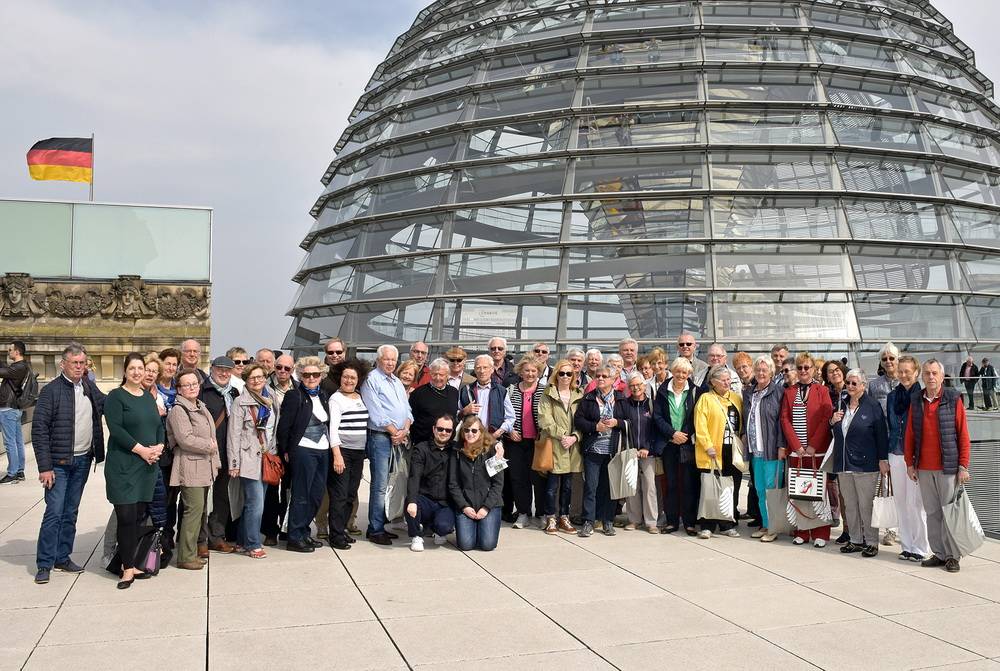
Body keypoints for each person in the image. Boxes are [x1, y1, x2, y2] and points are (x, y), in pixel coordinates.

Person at [31, 343, 105, 585]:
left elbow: (108, 404)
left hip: (83, 460)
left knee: (71, 512)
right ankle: (44, 563)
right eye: (75, 363)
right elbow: (39, 430)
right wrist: (45, 467)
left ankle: (62, 557)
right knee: (54, 512)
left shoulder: (89, 387)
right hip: (58, 464)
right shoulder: (51, 391)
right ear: (63, 364)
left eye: (83, 363)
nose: (79, 367)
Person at [105, 352, 165, 588]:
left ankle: (129, 562)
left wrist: (159, 446)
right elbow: (116, 429)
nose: (138, 372)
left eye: (141, 368)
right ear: (125, 371)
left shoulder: (148, 398)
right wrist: (141, 450)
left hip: (147, 467)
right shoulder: (116, 397)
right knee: (126, 517)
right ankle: (127, 568)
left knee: (139, 517)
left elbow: (158, 425)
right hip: (124, 465)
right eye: (133, 368)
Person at [905, 359, 971, 573]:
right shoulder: (916, 400)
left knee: (949, 513)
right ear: (922, 376)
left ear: (942, 377)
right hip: (924, 468)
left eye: (934, 373)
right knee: (932, 513)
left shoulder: (953, 398)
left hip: (948, 468)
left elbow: (963, 434)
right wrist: (909, 464)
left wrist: (963, 466)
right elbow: (910, 435)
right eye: (927, 373)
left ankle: (953, 556)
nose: (931, 377)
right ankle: (940, 554)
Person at [830, 370, 889, 557]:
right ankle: (855, 539)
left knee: (866, 505)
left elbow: (881, 434)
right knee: (850, 504)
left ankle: (871, 541)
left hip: (866, 465)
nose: (850, 386)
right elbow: (834, 430)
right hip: (844, 463)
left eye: (854, 383)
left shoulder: (872, 406)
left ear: (863, 385)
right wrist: (832, 421)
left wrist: (883, 459)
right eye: (848, 383)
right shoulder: (842, 404)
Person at [166, 369, 221, 570]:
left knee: (200, 511)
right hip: (190, 467)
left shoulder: (200, 406)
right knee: (193, 512)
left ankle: (191, 552)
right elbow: (185, 439)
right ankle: (185, 557)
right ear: (178, 389)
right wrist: (209, 445)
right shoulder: (179, 410)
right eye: (186, 385)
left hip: (204, 467)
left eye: (194, 384)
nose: (192, 387)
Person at [277, 356, 331, 552]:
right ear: (300, 375)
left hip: (322, 450)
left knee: (316, 495)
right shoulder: (295, 396)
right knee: (301, 494)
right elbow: (284, 428)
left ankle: (304, 532)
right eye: (306, 375)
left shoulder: (323, 395)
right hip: (303, 450)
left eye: (315, 374)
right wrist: (286, 451)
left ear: (321, 376)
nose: (311, 378)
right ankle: (294, 536)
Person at [780, 352, 834, 546]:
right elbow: (785, 419)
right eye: (800, 367)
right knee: (799, 490)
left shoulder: (822, 391)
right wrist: (797, 445)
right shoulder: (789, 391)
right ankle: (802, 531)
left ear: (813, 369)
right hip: (797, 452)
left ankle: (821, 532)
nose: (803, 371)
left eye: (807, 367)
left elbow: (826, 418)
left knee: (818, 491)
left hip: (816, 451)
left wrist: (813, 445)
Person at [360, 345, 413, 545]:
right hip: (381, 438)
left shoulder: (397, 381)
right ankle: (375, 529)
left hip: (398, 438)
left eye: (393, 360)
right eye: (387, 359)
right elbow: (376, 412)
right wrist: (394, 432)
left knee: (393, 483)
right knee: (380, 485)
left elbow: (407, 410)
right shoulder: (371, 380)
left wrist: (405, 430)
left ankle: (379, 523)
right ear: (379, 359)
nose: (390, 363)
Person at [227, 364, 275, 559]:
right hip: (247, 458)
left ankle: (241, 541)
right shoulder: (240, 402)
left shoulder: (270, 399)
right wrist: (234, 463)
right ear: (246, 381)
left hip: (265, 456)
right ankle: (253, 544)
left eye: (260, 377)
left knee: (254, 503)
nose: (256, 381)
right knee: (256, 504)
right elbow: (234, 435)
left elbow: (274, 429)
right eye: (252, 378)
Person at [886, 355, 931, 561]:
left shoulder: (921, 396)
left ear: (916, 373)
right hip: (895, 453)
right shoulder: (892, 396)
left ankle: (921, 547)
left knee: (916, 504)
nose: (903, 375)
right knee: (901, 502)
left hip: (913, 456)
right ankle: (907, 545)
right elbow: (890, 425)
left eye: (907, 371)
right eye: (900, 371)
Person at [575, 366, 625, 538]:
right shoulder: (588, 398)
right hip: (594, 449)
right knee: (591, 486)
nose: (601, 378)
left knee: (609, 488)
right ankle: (588, 521)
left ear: (613, 380)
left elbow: (629, 419)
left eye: (605, 376)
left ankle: (607, 521)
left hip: (613, 451)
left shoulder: (620, 398)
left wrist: (616, 422)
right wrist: (595, 427)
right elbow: (579, 420)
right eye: (598, 376)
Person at [693, 365, 743, 539]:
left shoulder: (736, 398)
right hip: (712, 453)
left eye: (728, 379)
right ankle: (707, 525)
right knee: (710, 490)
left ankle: (727, 524)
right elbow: (700, 425)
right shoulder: (705, 399)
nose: (727, 382)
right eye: (723, 380)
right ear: (713, 382)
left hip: (732, 452)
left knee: (730, 489)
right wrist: (707, 446)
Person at [326, 359, 371, 551]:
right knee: (339, 495)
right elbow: (332, 429)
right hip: (342, 451)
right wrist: (337, 455)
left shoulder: (360, 397)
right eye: (346, 377)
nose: (349, 380)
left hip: (358, 453)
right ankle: (335, 535)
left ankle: (341, 530)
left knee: (351, 494)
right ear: (340, 378)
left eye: (353, 377)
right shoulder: (336, 399)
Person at [654, 357, 701, 536]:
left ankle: (689, 522)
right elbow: (657, 417)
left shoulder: (695, 391)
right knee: (671, 484)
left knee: (688, 484)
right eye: (678, 371)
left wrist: (684, 435)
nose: (681, 375)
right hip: (669, 443)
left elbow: (696, 417)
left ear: (688, 374)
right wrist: (672, 434)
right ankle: (672, 521)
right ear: (672, 372)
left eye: (684, 372)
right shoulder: (662, 390)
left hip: (687, 444)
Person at [200, 356, 241, 554]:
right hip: (205, 453)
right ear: (212, 369)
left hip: (227, 452)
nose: (224, 373)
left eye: (228, 370)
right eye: (220, 369)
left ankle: (216, 536)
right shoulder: (201, 390)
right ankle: (198, 539)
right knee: (199, 498)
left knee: (222, 497)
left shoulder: (234, 393)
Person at [742, 356, 785, 542]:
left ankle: (774, 527)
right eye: (758, 370)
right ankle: (766, 524)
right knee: (759, 489)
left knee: (771, 490)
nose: (760, 373)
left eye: (764, 370)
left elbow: (783, 422)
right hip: (755, 450)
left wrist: (782, 445)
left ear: (771, 372)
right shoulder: (749, 392)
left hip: (771, 450)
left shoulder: (778, 392)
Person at [538, 359, 583, 534]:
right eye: (562, 373)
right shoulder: (548, 394)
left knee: (568, 486)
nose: (565, 376)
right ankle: (551, 517)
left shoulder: (579, 394)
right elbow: (544, 419)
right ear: (556, 374)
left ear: (573, 376)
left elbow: (584, 420)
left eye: (569, 373)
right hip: (555, 445)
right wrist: (562, 435)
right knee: (551, 486)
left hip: (572, 447)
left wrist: (574, 437)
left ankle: (564, 517)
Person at [450, 416, 504, 551]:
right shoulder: (456, 452)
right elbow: (453, 484)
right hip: (466, 505)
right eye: (466, 430)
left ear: (481, 432)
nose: (470, 434)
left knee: (487, 545)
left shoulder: (493, 451)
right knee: (466, 545)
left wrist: (486, 508)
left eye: (474, 431)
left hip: (489, 504)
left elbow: (498, 484)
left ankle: (482, 524)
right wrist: (464, 507)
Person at [506, 356, 546, 528]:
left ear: (538, 373)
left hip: (538, 442)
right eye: (527, 370)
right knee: (518, 478)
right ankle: (523, 513)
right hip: (515, 441)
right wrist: (510, 431)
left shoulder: (545, 391)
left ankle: (542, 512)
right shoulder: (511, 390)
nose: (530, 374)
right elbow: (504, 414)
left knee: (539, 478)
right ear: (520, 372)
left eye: (533, 371)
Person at [406, 414, 456, 551]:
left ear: (452, 432)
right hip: (425, 499)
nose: (444, 433)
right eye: (440, 429)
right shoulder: (421, 449)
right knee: (410, 502)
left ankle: (434, 528)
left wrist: (497, 445)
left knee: (444, 527)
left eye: (448, 430)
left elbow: (479, 445)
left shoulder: (456, 450)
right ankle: (416, 535)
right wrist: (412, 501)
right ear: (434, 429)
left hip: (445, 502)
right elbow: (414, 476)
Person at [621, 373, 662, 533]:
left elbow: (656, 428)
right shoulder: (625, 405)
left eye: (638, 385)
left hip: (648, 453)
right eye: (632, 385)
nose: (636, 388)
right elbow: (622, 427)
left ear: (645, 386)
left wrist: (647, 447)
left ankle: (651, 521)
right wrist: (630, 448)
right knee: (633, 486)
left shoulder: (652, 404)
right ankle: (634, 520)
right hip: (630, 451)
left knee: (650, 486)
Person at [262, 353, 295, 546]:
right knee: (271, 490)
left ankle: (286, 526)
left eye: (287, 368)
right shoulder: (264, 386)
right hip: (272, 446)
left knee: (289, 490)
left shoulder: (298, 388)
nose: (282, 371)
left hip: (290, 447)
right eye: (279, 367)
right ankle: (270, 531)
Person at [0, 340, 31, 483]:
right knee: (18, 441)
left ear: (17, 352)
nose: (8, 352)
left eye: (10, 350)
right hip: (14, 408)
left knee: (10, 442)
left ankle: (12, 472)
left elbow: (2, 372)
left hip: (8, 408)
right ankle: (19, 471)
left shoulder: (19, 367)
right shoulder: (22, 367)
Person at [156, 347, 180, 414]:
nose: (171, 368)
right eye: (168, 364)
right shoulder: (152, 386)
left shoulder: (179, 387)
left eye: (174, 365)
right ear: (160, 364)